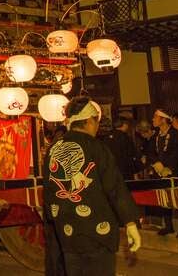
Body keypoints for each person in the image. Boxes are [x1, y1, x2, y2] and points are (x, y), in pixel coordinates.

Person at [43, 97, 141, 275]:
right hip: (97, 232)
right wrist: (130, 222)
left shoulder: (53, 149)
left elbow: (49, 191)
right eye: (96, 122)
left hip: (67, 233)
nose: (97, 127)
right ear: (89, 121)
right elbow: (114, 187)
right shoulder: (97, 147)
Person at [147, 109, 178, 235]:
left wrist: (168, 166)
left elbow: (177, 152)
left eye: (155, 117)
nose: (153, 120)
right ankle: (168, 225)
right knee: (163, 198)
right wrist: (157, 163)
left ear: (163, 119)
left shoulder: (175, 134)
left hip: (174, 170)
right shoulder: (156, 136)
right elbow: (150, 152)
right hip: (159, 171)